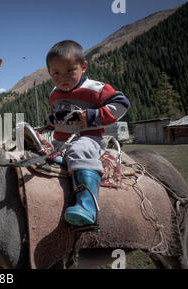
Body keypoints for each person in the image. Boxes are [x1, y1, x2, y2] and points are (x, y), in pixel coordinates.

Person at [45, 40, 130, 227]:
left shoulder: (96, 89)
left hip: (88, 139)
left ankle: (87, 206)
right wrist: (51, 120)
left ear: (83, 67)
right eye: (56, 73)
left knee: (79, 151)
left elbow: (122, 104)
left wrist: (94, 116)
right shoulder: (54, 94)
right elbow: (55, 114)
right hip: (60, 143)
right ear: (50, 73)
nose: (62, 77)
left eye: (69, 70)